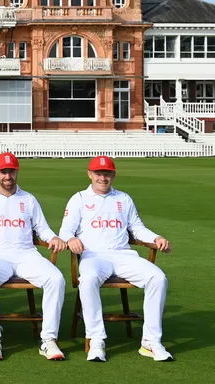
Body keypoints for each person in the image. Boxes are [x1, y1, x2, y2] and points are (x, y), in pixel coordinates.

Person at [59, 155, 173, 362]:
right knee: (89, 280)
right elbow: (66, 230)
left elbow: (137, 228)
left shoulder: (124, 198)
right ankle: (96, 339)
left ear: (114, 175)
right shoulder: (79, 199)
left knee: (158, 278)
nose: (103, 178)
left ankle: (150, 341)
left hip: (123, 254)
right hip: (94, 256)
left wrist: (155, 237)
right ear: (90, 174)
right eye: (99, 173)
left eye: (107, 173)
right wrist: (71, 239)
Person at [0, 152, 67, 361]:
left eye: (11, 171)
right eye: (3, 172)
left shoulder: (28, 199)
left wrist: (53, 238)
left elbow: (43, 229)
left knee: (56, 279)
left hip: (26, 254)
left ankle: (48, 339)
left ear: (17, 171)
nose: (7, 176)